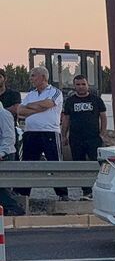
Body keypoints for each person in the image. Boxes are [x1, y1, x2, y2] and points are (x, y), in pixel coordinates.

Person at [15, 67, 68, 200]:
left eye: (33, 76)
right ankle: (23, 193)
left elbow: (49, 103)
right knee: (28, 164)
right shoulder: (31, 94)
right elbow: (20, 111)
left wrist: (32, 107)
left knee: (55, 163)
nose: (31, 79)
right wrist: (39, 108)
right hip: (30, 133)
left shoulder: (55, 92)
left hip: (49, 132)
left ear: (43, 77)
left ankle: (62, 194)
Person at [61, 74, 108, 198]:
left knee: (96, 164)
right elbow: (66, 119)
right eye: (78, 84)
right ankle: (86, 191)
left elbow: (103, 117)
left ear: (87, 85)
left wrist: (103, 134)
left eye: (83, 84)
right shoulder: (70, 101)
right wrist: (64, 135)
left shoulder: (96, 100)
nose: (81, 87)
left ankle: (98, 190)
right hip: (76, 139)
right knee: (79, 164)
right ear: (74, 86)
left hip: (93, 138)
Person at [0, 99, 24, 215]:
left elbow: (9, 137)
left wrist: (2, 153)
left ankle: (15, 209)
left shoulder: (3, 114)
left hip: (4, 155)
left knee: (2, 188)